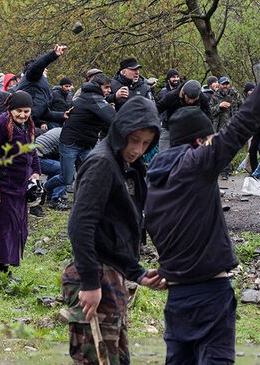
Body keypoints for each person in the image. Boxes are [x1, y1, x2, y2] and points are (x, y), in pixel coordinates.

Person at [145, 44, 260, 365]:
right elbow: (241, 124)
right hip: (209, 294)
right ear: (199, 141)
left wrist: (160, 270)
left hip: (176, 296)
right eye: (207, 140)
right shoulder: (196, 165)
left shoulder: (151, 181)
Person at [61, 96, 165, 364]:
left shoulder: (126, 165)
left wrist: (136, 273)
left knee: (116, 358)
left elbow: (115, 230)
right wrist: (90, 282)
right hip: (94, 273)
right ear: (121, 132)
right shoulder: (102, 163)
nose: (137, 149)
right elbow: (80, 225)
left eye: (145, 143)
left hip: (112, 274)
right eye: (134, 140)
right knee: (96, 359)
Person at [0, 90, 40, 280]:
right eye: (18, 111)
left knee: (14, 227)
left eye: (26, 111)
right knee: (0, 228)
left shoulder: (28, 125)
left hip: (18, 186)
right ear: (10, 109)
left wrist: (36, 173)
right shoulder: (0, 124)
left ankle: (5, 269)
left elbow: (32, 151)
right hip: (0, 184)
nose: (22, 115)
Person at [44, 73, 116, 210]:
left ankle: (85, 201)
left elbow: (107, 121)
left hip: (86, 144)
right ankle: (44, 189)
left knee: (91, 173)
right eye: (106, 87)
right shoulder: (93, 98)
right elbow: (112, 117)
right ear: (98, 86)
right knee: (66, 178)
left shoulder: (95, 98)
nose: (109, 90)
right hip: (70, 143)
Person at [16, 44, 69, 131]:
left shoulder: (41, 83)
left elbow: (43, 112)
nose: (46, 69)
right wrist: (53, 54)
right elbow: (37, 66)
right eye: (44, 68)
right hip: (21, 120)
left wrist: (63, 115)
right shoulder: (32, 76)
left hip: (29, 122)